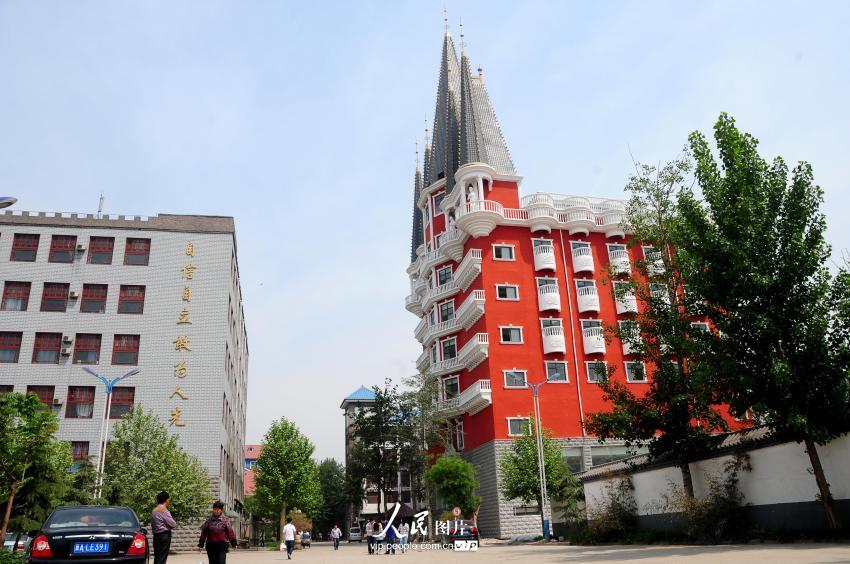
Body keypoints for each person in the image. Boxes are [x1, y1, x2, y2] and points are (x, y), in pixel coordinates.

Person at [151, 491, 177, 564]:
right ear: (166, 500)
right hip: (164, 535)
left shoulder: (154, 510)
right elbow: (173, 524)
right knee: (162, 557)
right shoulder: (164, 510)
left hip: (156, 535)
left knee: (157, 557)